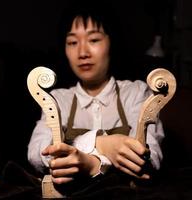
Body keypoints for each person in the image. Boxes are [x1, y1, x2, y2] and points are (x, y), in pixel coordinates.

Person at [27, 1, 164, 197]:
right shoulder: (58, 100)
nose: (82, 53)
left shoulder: (136, 93)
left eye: (94, 40)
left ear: (111, 42)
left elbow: (152, 157)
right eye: (73, 42)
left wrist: (89, 160)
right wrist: (101, 143)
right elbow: (37, 151)